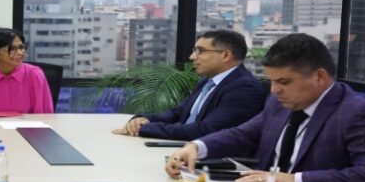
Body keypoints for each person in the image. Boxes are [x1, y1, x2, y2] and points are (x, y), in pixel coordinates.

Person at [165, 33, 365, 182]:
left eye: (284, 82)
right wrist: (196, 147)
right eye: (273, 81)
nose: (275, 90)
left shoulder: (357, 112)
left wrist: (295, 180)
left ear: (319, 77)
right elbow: (244, 134)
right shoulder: (279, 102)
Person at [113, 30, 265, 141]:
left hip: (216, 162)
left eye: (201, 51)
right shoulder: (207, 82)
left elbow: (206, 131)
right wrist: (143, 120)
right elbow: (177, 114)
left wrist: (145, 129)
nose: (192, 57)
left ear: (225, 55)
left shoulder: (244, 89)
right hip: (184, 150)